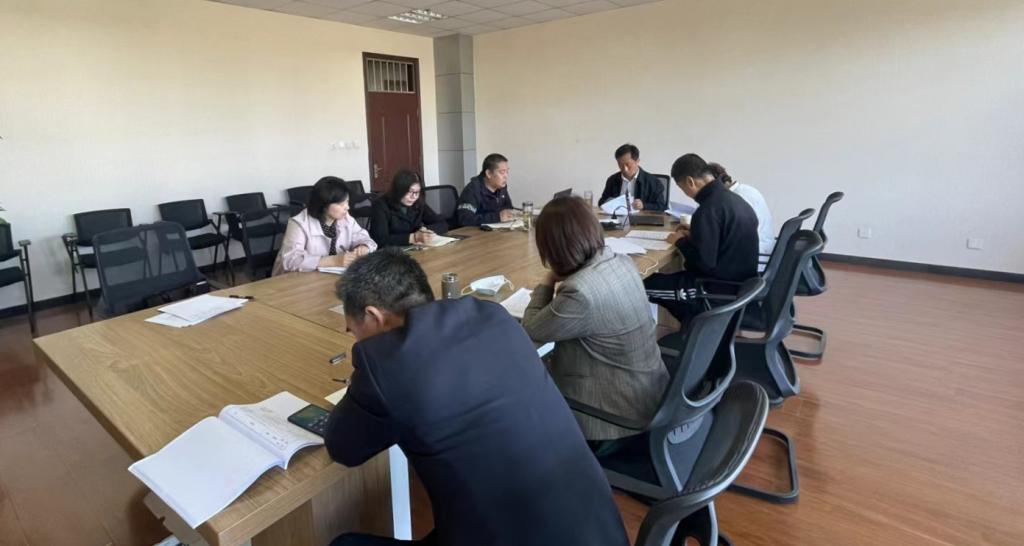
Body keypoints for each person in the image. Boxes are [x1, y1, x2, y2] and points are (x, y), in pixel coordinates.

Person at [325, 249, 629, 546]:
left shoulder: (386, 364)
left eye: (352, 329)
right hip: (599, 531)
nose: (355, 338)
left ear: (373, 315)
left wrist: (364, 383)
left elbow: (343, 448)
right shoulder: (492, 315)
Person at [521, 197, 668, 452]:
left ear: (552, 248)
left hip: (612, 419)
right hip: (650, 393)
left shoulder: (581, 293)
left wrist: (546, 282)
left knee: (517, 388)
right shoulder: (622, 262)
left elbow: (530, 332)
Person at [644, 153, 758, 325]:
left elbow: (702, 264)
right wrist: (696, 233)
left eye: (682, 188)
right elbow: (724, 240)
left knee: (639, 286)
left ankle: (693, 332)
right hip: (740, 287)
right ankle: (692, 329)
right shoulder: (734, 200)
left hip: (712, 291)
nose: (686, 193)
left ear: (690, 181)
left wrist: (679, 241)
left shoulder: (708, 209)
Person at [272, 176, 376, 275]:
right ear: (324, 205)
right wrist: (333, 261)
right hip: (294, 280)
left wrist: (364, 246)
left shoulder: (345, 218)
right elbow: (290, 260)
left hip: (327, 276)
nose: (347, 207)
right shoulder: (299, 223)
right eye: (341, 204)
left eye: (347, 202)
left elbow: (364, 238)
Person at [368, 169, 449, 248]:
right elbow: (379, 240)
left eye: (417, 192)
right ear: (399, 190)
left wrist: (426, 231)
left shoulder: (418, 202)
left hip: (416, 249)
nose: (414, 197)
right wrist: (413, 237)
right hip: (392, 252)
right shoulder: (380, 205)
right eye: (410, 192)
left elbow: (442, 223)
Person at [711, 163, 774, 256]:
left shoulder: (735, 198)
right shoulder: (746, 190)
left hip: (754, 255)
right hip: (764, 250)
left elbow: (733, 234)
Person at [598, 143, 668, 212]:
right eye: (620, 165)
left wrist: (644, 205)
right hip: (616, 217)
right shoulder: (612, 180)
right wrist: (609, 202)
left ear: (637, 161)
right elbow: (601, 202)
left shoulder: (653, 182)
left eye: (628, 164)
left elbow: (662, 206)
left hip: (642, 218)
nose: (625, 169)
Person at [456, 153, 515, 226]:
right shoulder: (472, 190)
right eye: (502, 172)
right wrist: (497, 217)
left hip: (497, 229)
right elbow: (465, 219)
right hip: (475, 231)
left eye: (507, 171)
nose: (506, 176)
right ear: (489, 173)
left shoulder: (501, 187)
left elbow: (508, 209)